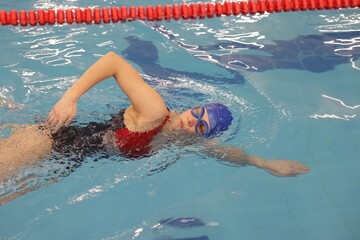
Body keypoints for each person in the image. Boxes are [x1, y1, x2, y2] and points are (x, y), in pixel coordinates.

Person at [0, 52, 309, 185]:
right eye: (197, 113)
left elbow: (221, 152)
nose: (193, 121)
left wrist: (262, 163)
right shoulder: (156, 112)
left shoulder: (180, 139)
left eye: (202, 126)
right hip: (52, 141)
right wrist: (70, 98)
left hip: (71, 159)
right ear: (192, 107)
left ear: (202, 135)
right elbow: (113, 61)